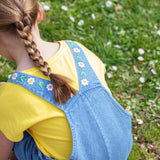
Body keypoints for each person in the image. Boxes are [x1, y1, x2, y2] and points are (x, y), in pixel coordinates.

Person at [0, 0, 133, 160]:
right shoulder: (78, 50)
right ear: (39, 14)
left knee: (8, 110)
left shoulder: (14, 95)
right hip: (118, 150)